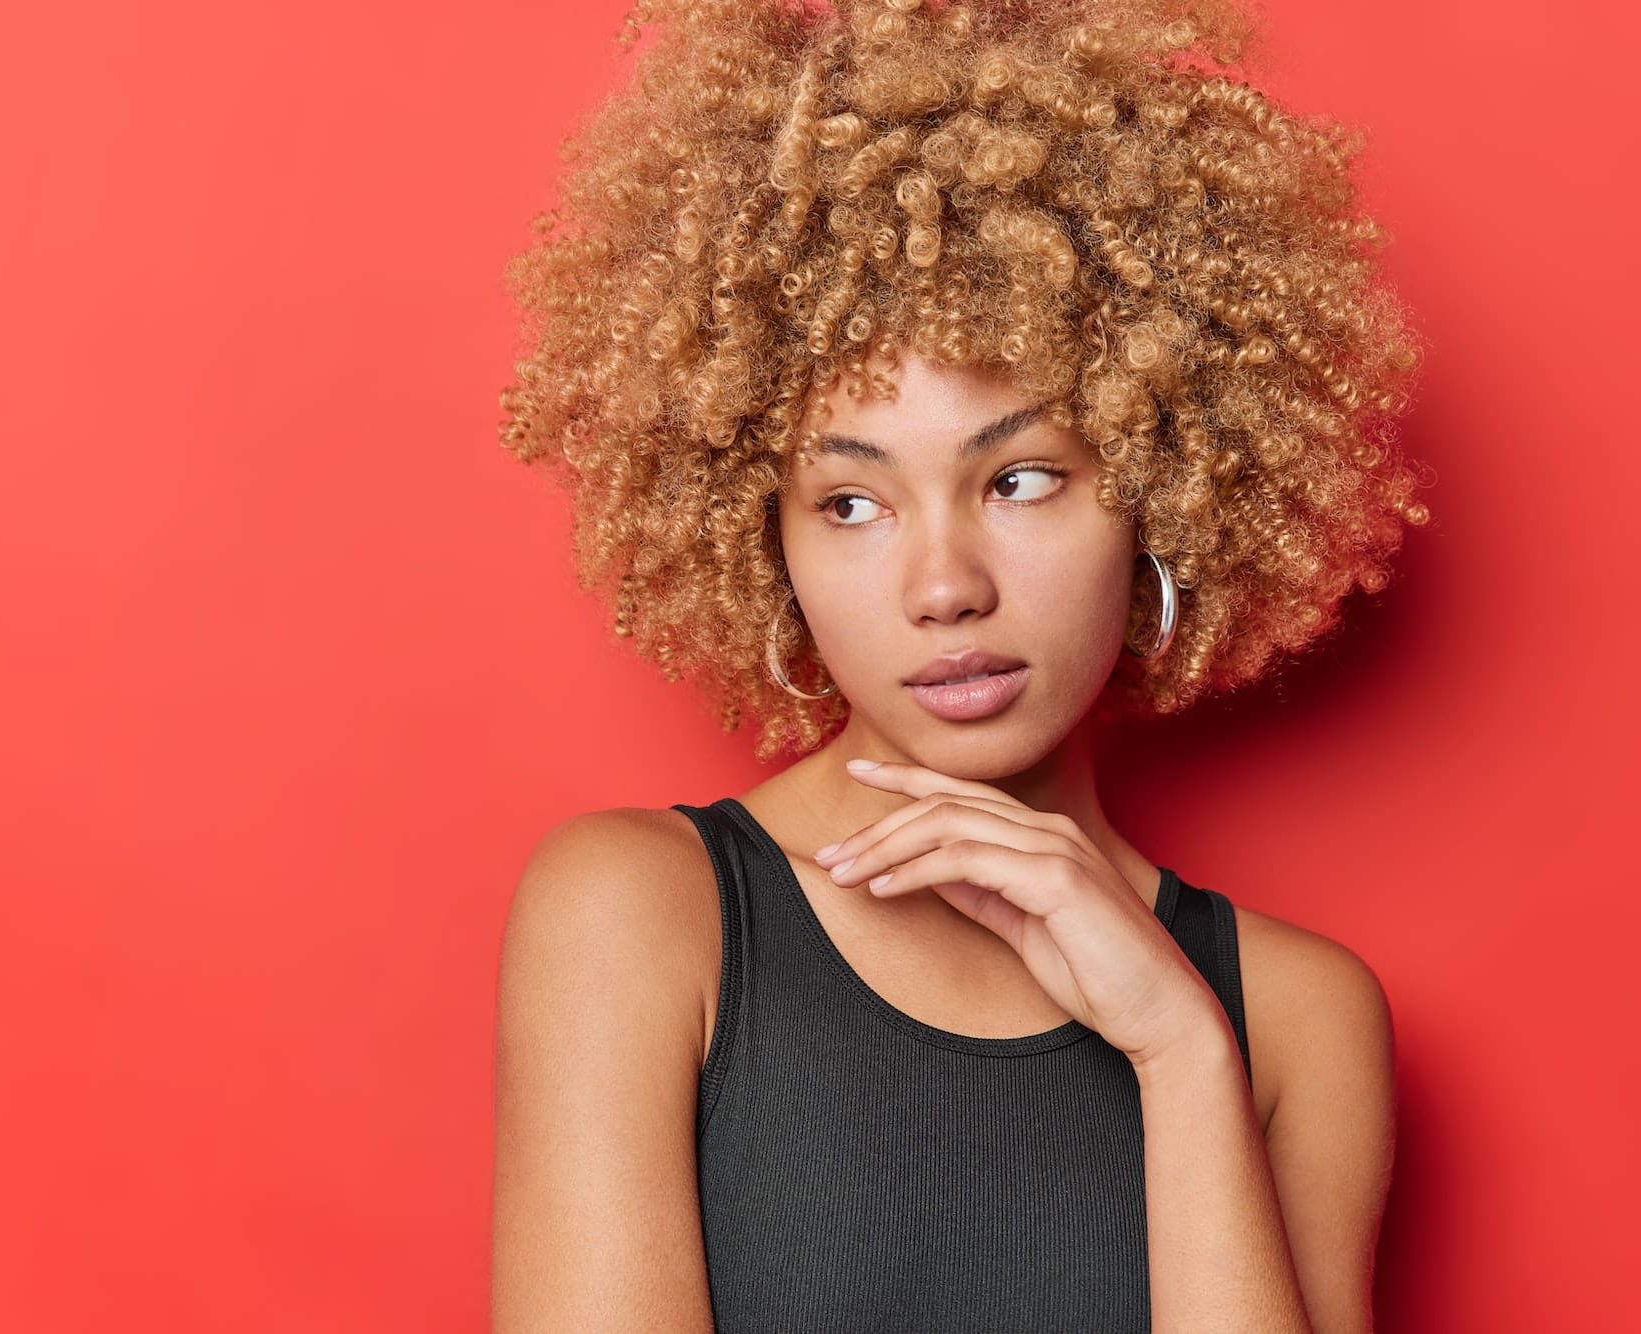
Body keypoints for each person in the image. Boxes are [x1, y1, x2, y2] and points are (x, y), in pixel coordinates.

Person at [489, 1, 1428, 1329]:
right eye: (854, 504)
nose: (945, 587)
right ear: (769, 539)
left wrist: (1178, 1050)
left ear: (1160, 488)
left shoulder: (1292, 1019)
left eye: (1024, 478)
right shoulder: (643, 916)